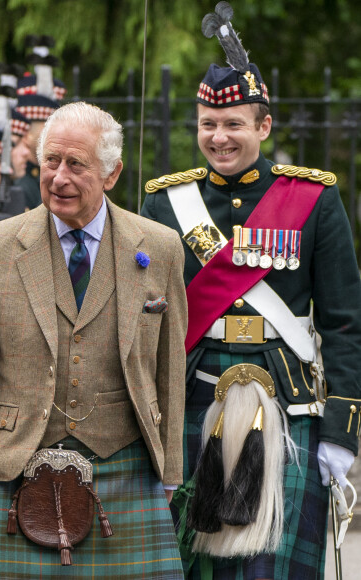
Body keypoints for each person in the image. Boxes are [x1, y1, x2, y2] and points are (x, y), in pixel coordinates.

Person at [141, 4, 361, 579]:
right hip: (194, 395)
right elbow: (142, 319)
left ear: (262, 127)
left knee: (276, 570)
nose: (220, 137)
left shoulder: (314, 200)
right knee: (190, 567)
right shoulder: (165, 204)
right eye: (209, 125)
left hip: (287, 404)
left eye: (235, 124)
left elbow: (343, 322)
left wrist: (341, 432)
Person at [0, 101, 187, 579]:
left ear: (111, 174)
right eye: (51, 160)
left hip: (124, 466)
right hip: (12, 465)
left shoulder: (159, 246)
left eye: (76, 164)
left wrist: (170, 472)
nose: (59, 177)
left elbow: (169, 371)